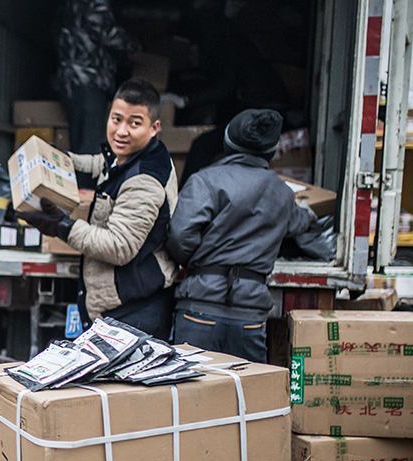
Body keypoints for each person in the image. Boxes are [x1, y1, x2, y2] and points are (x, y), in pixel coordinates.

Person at [17, 78, 179, 340]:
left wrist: (63, 226)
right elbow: (97, 166)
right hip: (117, 307)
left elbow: (118, 246)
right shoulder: (128, 157)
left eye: (134, 123)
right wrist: (57, 160)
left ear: (154, 128)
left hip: (133, 313)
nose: (121, 131)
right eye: (116, 119)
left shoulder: (145, 180)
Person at [165, 109, 315, 363]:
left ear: (227, 142)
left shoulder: (205, 181)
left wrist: (200, 262)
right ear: (270, 151)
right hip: (250, 316)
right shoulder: (282, 192)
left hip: (200, 308)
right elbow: (298, 223)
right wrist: (309, 214)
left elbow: (180, 236)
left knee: (192, 397)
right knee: (249, 396)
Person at [55, 0, 137, 156]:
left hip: (70, 83)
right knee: (90, 148)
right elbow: (107, 34)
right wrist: (134, 45)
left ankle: (79, 178)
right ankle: (86, 181)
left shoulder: (72, 5)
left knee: (79, 143)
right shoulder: (95, 4)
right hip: (88, 80)